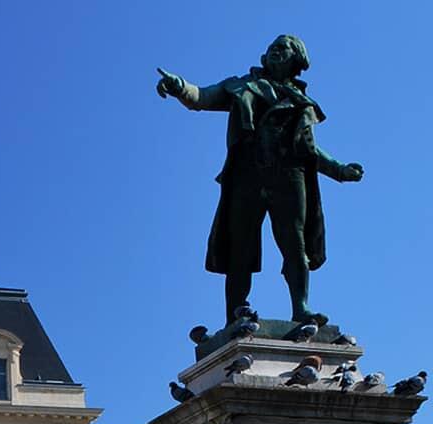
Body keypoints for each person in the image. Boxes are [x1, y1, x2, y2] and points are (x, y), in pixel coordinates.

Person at [156, 34, 364, 328]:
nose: (276, 52)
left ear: (297, 59)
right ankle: (236, 315)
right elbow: (201, 97)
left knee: (295, 245)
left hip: (289, 177)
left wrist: (340, 170)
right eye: (272, 48)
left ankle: (301, 309)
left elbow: (308, 149)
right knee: (239, 248)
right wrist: (179, 87)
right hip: (247, 174)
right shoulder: (240, 85)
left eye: (283, 49)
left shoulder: (301, 102)